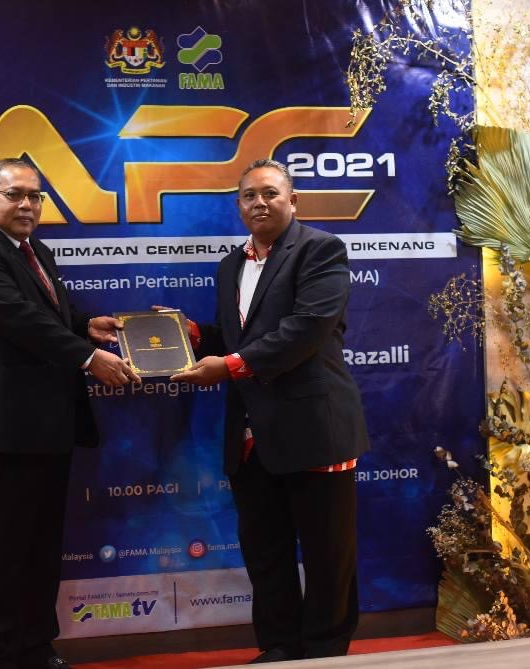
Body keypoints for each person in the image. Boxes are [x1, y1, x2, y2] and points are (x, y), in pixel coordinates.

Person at [171, 158, 370, 663]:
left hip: (315, 429)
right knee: (266, 554)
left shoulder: (321, 249)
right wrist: (189, 336)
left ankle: (324, 653)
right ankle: (279, 649)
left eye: (270, 193)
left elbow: (306, 329)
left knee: (328, 557)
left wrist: (229, 365)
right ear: (238, 206)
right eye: (249, 196)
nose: (259, 202)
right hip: (251, 436)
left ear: (292, 201)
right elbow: (236, 338)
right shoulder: (229, 267)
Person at [0, 158, 140, 669]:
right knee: (2, 548)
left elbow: (51, 314)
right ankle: (1, 656)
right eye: (15, 194)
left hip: (48, 424)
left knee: (39, 545)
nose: (27, 205)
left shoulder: (36, 251)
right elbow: (19, 319)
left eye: (35, 196)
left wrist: (85, 324)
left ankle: (35, 648)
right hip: (2, 427)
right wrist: (89, 357)